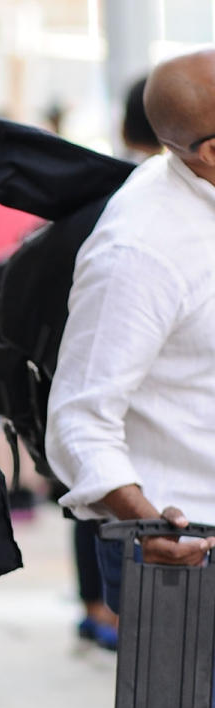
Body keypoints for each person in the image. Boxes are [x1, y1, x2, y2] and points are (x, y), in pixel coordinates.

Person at [46, 50, 215, 610]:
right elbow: (80, 417)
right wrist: (152, 527)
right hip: (187, 550)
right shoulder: (140, 250)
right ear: (211, 151)